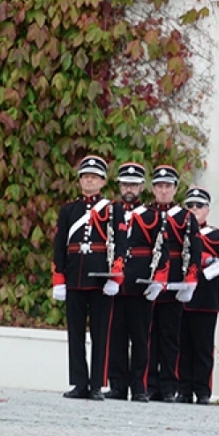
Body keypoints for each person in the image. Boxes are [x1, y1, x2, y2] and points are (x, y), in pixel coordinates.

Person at [52, 155, 123, 400]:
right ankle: (79, 383)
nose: (89, 181)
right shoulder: (69, 210)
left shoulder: (113, 210)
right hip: (74, 277)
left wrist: (116, 278)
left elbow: (121, 246)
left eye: (94, 177)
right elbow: (59, 246)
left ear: (103, 182)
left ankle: (96, 385)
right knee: (75, 333)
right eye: (85, 177)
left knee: (101, 333)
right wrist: (59, 279)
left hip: (101, 279)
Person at [144, 165, 201, 402]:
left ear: (175, 189)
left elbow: (193, 249)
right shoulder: (146, 213)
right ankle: (149, 384)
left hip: (174, 281)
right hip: (148, 282)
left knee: (169, 336)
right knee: (148, 335)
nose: (163, 190)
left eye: (168, 186)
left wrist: (190, 280)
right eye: (159, 186)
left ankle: (168, 386)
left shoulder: (185, 217)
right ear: (153, 189)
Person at [104, 162, 146, 400]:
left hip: (139, 281)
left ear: (141, 186)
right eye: (125, 184)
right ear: (119, 186)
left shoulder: (151, 214)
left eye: (134, 184)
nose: (129, 188)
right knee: (116, 336)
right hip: (115, 282)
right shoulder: (110, 212)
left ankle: (139, 387)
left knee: (140, 337)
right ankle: (118, 385)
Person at [177, 186, 219, 404]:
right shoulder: (178, 232)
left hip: (205, 298)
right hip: (181, 297)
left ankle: (202, 390)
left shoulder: (216, 235)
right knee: (182, 345)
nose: (194, 209)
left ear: (207, 210)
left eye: (199, 206)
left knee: (202, 347)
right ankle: (183, 389)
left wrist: (209, 264)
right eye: (190, 206)